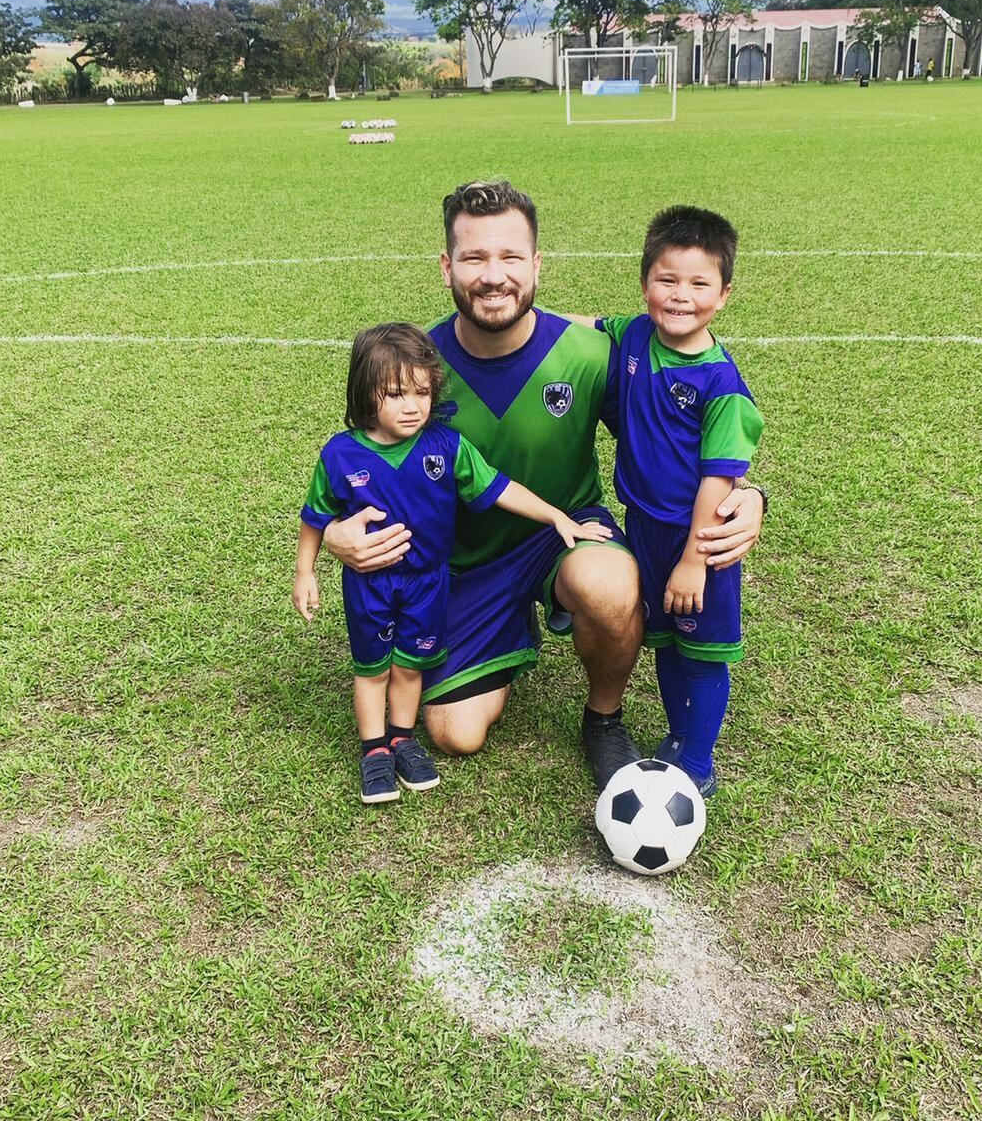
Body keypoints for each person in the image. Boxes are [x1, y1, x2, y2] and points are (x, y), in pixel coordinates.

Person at [320, 182, 766, 788]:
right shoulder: (415, 366)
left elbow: (678, 437)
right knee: (455, 734)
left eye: (510, 257)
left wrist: (749, 495)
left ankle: (603, 718)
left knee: (609, 585)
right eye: (474, 258)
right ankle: (511, 625)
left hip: (567, 529)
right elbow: (360, 458)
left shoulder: (591, 354)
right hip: (464, 560)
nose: (493, 275)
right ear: (448, 267)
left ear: (536, 265)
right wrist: (335, 534)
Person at [294, 322, 612, 803]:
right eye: (396, 394)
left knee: (410, 664)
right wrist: (305, 571)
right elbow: (315, 516)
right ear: (365, 393)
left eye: (422, 393)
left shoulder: (445, 446)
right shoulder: (340, 454)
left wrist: (556, 517)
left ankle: (402, 739)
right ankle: (373, 750)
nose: (412, 406)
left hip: (429, 582)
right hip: (371, 584)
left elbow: (499, 487)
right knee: (373, 669)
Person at [584, 207, 763, 798]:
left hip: (700, 540)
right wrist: (531, 320)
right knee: (663, 639)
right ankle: (679, 736)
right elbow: (584, 325)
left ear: (724, 294)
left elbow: (718, 478)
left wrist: (694, 559)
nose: (680, 295)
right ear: (645, 284)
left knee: (702, 652)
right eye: (667, 279)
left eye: (699, 283)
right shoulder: (635, 334)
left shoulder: (722, 386)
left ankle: (699, 761)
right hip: (644, 528)